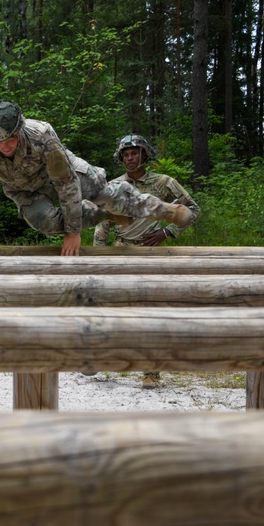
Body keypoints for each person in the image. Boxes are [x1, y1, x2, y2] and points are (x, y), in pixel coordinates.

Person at [0, 101, 194, 257]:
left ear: (20, 128)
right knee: (46, 223)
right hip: (25, 188)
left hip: (65, 173)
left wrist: (74, 231)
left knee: (104, 195)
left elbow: (65, 183)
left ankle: (161, 209)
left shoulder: (41, 134)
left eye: (11, 139)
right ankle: (103, 214)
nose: (6, 146)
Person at [94, 133, 201, 389]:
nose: (130, 158)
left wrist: (167, 231)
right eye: (126, 154)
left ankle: (151, 372)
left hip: (150, 255)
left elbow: (193, 209)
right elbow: (102, 220)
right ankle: (96, 358)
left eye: (135, 153)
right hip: (120, 254)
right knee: (108, 308)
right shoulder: (114, 185)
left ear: (144, 154)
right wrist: (98, 255)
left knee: (150, 313)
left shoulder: (164, 183)